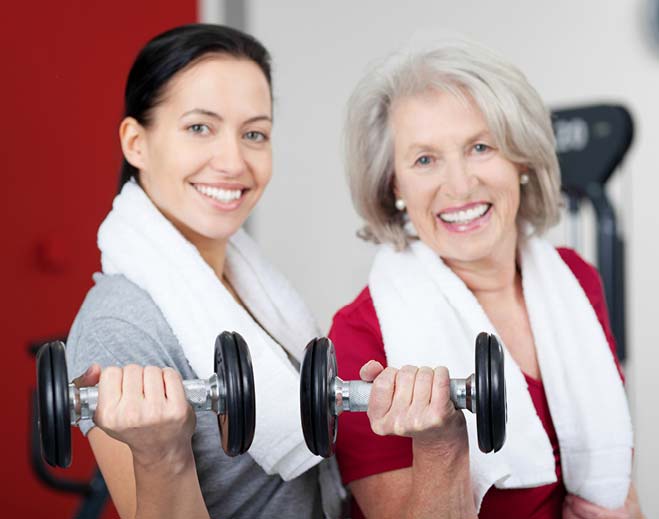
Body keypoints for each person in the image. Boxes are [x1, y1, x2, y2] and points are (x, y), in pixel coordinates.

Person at [329, 41, 643, 518]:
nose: (459, 185)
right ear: (395, 185)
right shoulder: (358, 337)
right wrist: (440, 447)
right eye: (424, 160)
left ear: (520, 158)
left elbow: (617, 472)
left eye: (480, 147)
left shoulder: (575, 281)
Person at [65, 24, 343, 519]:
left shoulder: (252, 286)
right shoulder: (118, 327)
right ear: (137, 143)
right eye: (200, 127)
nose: (234, 161)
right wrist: (161, 454)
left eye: (254, 133)